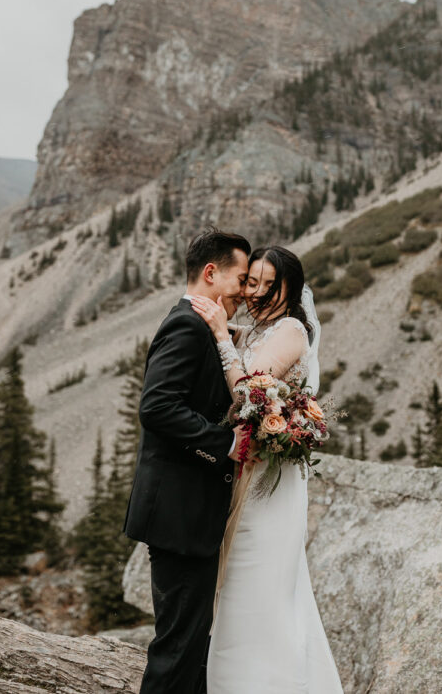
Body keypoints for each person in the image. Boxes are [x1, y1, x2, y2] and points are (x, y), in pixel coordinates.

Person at [190, 244, 344, 693]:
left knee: (256, 573)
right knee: (239, 572)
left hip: (270, 482)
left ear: (290, 289)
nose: (256, 293)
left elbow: (250, 390)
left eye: (268, 285)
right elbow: (250, 346)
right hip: (249, 467)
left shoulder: (292, 330)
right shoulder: (261, 329)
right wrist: (229, 329)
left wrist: (221, 335)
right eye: (251, 282)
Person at [122, 227, 261, 694]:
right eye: (241, 279)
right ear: (211, 273)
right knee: (178, 649)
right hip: (178, 514)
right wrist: (225, 444)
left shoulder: (203, 326)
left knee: (190, 646)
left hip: (187, 514)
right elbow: (157, 407)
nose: (245, 292)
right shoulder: (187, 324)